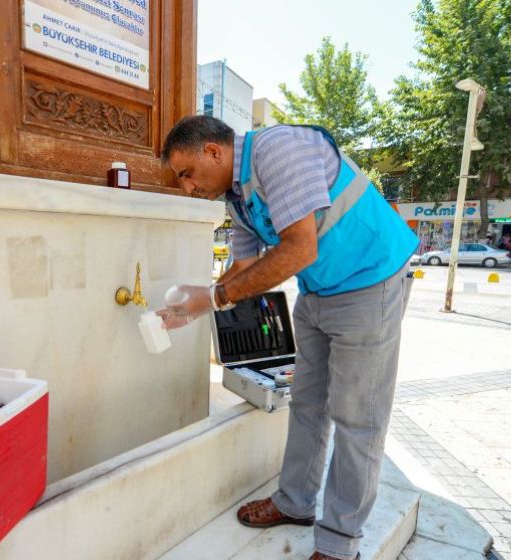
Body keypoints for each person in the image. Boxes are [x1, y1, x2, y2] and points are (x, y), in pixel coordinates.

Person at [157, 116, 418, 560]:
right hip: (318, 292)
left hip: (371, 280)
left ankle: (339, 544)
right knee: (308, 404)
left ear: (214, 152)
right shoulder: (237, 199)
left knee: (357, 418)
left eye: (186, 173)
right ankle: (295, 503)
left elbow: (299, 249)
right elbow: (240, 272)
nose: (187, 187)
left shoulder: (279, 151)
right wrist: (195, 309)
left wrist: (214, 297)